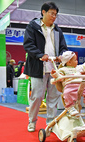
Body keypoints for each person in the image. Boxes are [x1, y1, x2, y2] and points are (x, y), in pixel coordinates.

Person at [23, 1, 68, 132]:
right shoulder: (33, 26)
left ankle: (50, 123)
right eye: (51, 13)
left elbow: (63, 47)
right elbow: (28, 44)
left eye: (55, 14)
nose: (54, 16)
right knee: (37, 96)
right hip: (38, 67)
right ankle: (32, 121)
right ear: (43, 12)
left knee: (53, 97)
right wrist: (40, 55)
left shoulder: (58, 30)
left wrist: (61, 55)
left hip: (54, 68)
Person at [51, 51, 85, 116]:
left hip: (80, 85)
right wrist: (54, 74)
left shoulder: (77, 68)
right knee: (66, 93)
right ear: (69, 62)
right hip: (69, 86)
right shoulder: (63, 69)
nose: (77, 61)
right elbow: (59, 77)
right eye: (75, 60)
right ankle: (70, 107)